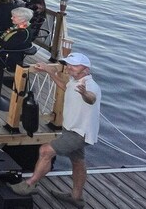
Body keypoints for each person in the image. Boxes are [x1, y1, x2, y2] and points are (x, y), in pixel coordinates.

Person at [9, 52, 101, 207]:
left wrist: (85, 94)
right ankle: (76, 197)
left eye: (75, 65)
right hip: (71, 129)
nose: (70, 67)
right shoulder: (75, 80)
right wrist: (49, 70)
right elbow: (65, 86)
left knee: (46, 151)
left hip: (79, 133)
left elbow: (91, 98)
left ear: (86, 69)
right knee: (78, 162)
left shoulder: (90, 86)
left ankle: (30, 184)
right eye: (69, 64)